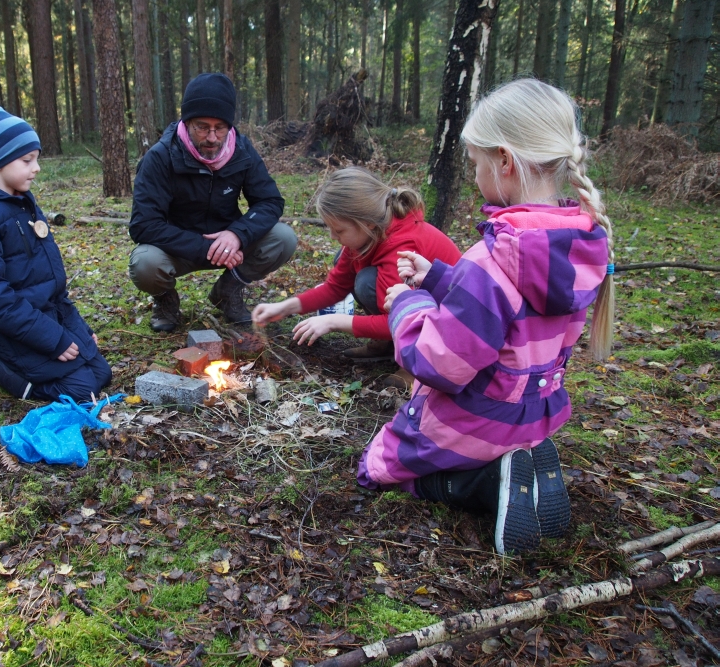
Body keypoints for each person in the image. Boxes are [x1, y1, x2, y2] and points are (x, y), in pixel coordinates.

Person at [358, 79, 615, 555]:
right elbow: (513, 312)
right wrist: (438, 280)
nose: (475, 174)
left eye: (475, 163)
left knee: (376, 465)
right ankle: (520, 461)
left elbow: (437, 365)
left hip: (477, 422)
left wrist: (407, 305)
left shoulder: (492, 258)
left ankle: (485, 483)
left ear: (503, 160)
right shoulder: (580, 243)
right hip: (536, 416)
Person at [0, 107, 111, 402]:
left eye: (36, 159)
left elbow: (49, 285)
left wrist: (79, 331)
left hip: (41, 319)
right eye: (27, 160)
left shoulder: (23, 204)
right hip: (10, 330)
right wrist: (54, 339)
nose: (36, 168)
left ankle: (18, 357)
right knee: (82, 391)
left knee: (101, 374)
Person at [128, 72, 297, 332]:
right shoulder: (160, 157)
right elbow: (144, 225)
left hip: (230, 243)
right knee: (144, 263)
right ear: (187, 122)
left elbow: (270, 201)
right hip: (177, 248)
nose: (212, 137)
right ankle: (165, 300)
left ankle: (227, 292)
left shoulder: (241, 150)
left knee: (283, 237)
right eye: (202, 127)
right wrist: (206, 247)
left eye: (220, 127)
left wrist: (237, 234)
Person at [251, 167, 462, 372]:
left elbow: (401, 317)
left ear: (367, 223)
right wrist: (284, 308)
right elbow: (335, 287)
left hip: (451, 324)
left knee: (367, 280)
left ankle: (417, 364)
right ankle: (388, 345)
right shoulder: (366, 236)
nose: (333, 237)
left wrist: (334, 321)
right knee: (357, 272)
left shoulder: (401, 249)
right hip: (415, 312)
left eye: (339, 230)